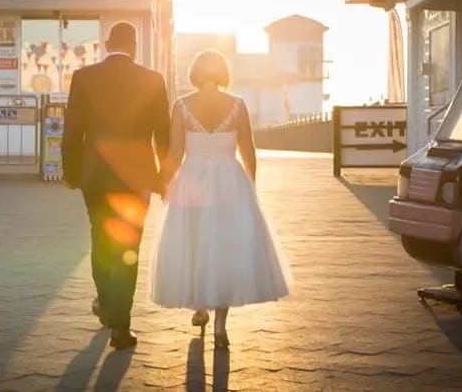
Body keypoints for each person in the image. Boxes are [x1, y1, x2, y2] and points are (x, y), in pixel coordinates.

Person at [149, 49, 292, 349]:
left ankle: (199, 307)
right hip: (230, 182)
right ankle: (220, 327)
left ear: (196, 73)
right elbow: (249, 151)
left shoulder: (182, 105)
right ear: (222, 72)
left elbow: (175, 154)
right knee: (224, 248)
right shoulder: (237, 105)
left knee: (195, 244)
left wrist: (162, 182)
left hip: (192, 181)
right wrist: (250, 186)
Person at [61, 22, 170, 350]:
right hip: (136, 180)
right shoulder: (152, 80)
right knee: (128, 249)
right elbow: (164, 136)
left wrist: (71, 173)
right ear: (134, 46)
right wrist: (166, 179)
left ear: (107, 44)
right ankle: (120, 326)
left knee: (100, 239)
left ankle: (106, 306)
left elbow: (72, 131)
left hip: (95, 177)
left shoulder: (84, 77)